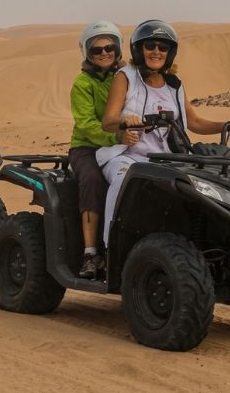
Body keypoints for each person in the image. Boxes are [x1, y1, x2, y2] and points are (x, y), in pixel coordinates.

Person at [99, 20, 230, 244]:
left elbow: (194, 121)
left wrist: (225, 124)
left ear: (170, 52)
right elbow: (108, 120)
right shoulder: (126, 76)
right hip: (128, 156)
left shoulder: (173, 84)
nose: (156, 51)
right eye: (150, 46)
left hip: (168, 158)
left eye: (163, 47)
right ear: (139, 49)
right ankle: (112, 246)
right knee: (123, 181)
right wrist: (125, 120)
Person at [69, 20, 137, 279]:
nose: (105, 53)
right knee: (92, 181)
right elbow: (86, 125)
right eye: (97, 50)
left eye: (110, 47)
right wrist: (116, 136)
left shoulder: (127, 77)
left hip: (126, 143)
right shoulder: (83, 83)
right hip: (87, 146)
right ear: (87, 53)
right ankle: (90, 253)